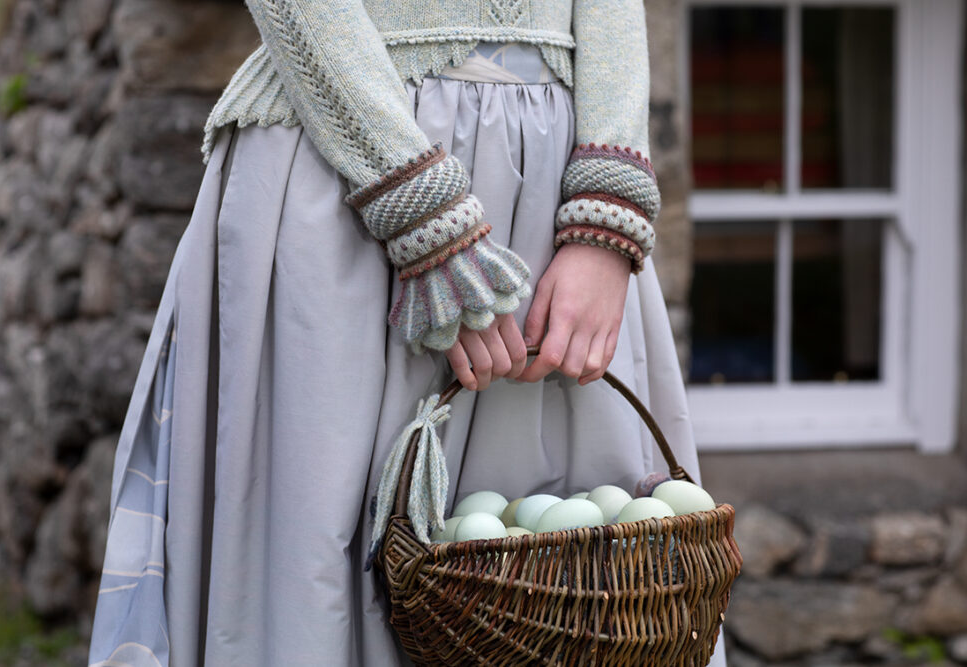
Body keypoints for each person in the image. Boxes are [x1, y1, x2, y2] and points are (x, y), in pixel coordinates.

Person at [86, 1, 728, 665]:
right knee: (319, 564)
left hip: (563, 196)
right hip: (346, 177)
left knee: (584, 587)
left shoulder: (594, 218)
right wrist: (422, 208)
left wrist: (610, 213)